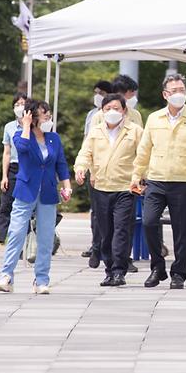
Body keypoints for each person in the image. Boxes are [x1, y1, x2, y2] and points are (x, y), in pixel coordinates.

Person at [131, 74, 186, 290]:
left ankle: (179, 274)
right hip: (156, 180)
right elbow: (144, 149)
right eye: (174, 90)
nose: (179, 94)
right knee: (148, 222)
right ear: (165, 95)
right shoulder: (154, 118)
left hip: (183, 182)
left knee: (182, 231)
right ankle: (158, 267)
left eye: (182, 90)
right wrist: (137, 174)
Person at [0, 99, 72, 294]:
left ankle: (41, 279)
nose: (48, 119)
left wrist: (67, 185)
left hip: (47, 191)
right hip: (26, 190)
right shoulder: (22, 134)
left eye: (49, 115)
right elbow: (20, 149)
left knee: (45, 237)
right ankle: (7, 276)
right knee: (16, 232)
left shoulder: (54, 138)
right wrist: (27, 125)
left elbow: (61, 164)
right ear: (32, 116)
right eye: (44, 115)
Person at [75, 94, 143, 287]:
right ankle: (109, 269)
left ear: (124, 111)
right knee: (105, 232)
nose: (112, 112)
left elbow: (144, 155)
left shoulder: (135, 131)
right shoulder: (95, 132)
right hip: (101, 188)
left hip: (126, 188)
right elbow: (85, 153)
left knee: (121, 230)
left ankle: (119, 271)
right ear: (102, 111)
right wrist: (81, 169)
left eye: (116, 108)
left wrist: (139, 176)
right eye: (108, 109)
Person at [0, 92, 28, 256]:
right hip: (13, 167)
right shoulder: (9, 127)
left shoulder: (32, 126)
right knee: (5, 204)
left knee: (25, 208)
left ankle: (20, 245)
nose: (20, 107)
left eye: (23, 103)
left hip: (28, 168)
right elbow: (6, 152)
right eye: (17, 104)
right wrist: (4, 175)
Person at [82, 80, 113, 260]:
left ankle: (108, 247)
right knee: (96, 210)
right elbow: (87, 142)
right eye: (96, 92)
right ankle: (96, 245)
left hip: (115, 170)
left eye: (100, 92)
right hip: (96, 168)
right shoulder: (92, 115)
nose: (97, 95)